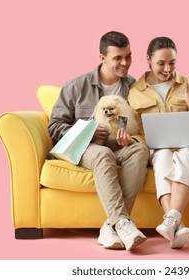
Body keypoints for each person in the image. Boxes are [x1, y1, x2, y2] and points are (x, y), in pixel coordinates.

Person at [48, 31, 149, 251]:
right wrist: (88, 133)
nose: (125, 63)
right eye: (118, 58)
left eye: (128, 56)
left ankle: (111, 227)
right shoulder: (76, 87)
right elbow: (54, 126)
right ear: (102, 57)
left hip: (119, 148)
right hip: (87, 149)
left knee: (140, 151)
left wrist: (131, 137)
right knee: (103, 154)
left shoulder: (134, 87)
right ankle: (123, 223)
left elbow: (141, 126)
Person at [128, 36, 189, 249]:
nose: (167, 68)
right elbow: (135, 129)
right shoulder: (135, 91)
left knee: (188, 152)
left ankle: (172, 221)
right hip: (156, 148)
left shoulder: (187, 83)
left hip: (186, 146)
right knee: (162, 154)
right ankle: (176, 224)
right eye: (161, 63)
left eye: (172, 63)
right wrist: (134, 139)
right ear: (148, 61)